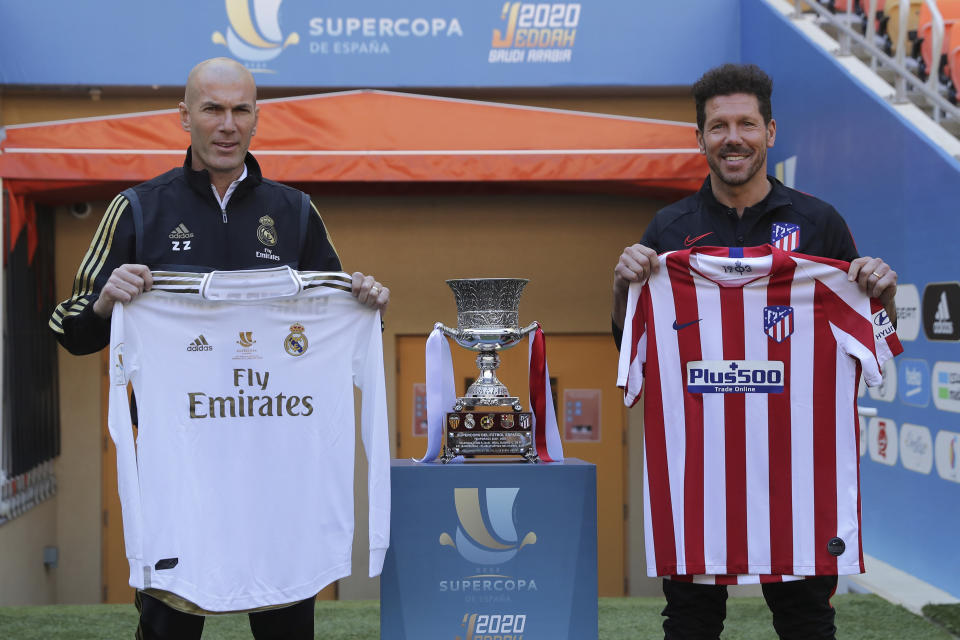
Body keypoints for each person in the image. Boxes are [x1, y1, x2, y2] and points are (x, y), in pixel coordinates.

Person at [49, 57, 389, 640]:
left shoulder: (295, 212)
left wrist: (363, 304)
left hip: (280, 467)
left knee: (286, 621)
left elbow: (338, 327)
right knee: (168, 626)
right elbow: (68, 326)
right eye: (212, 109)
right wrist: (106, 302)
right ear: (184, 116)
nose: (227, 124)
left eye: (240, 110)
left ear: (257, 119)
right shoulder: (137, 208)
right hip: (180, 467)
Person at [611, 63, 897, 640]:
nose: (732, 138)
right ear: (700, 139)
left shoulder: (819, 223)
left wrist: (881, 295)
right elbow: (631, 348)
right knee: (690, 620)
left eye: (745, 124)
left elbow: (881, 346)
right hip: (699, 471)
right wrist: (625, 285)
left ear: (770, 132)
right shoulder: (668, 230)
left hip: (796, 472)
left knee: (806, 620)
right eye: (718, 127)